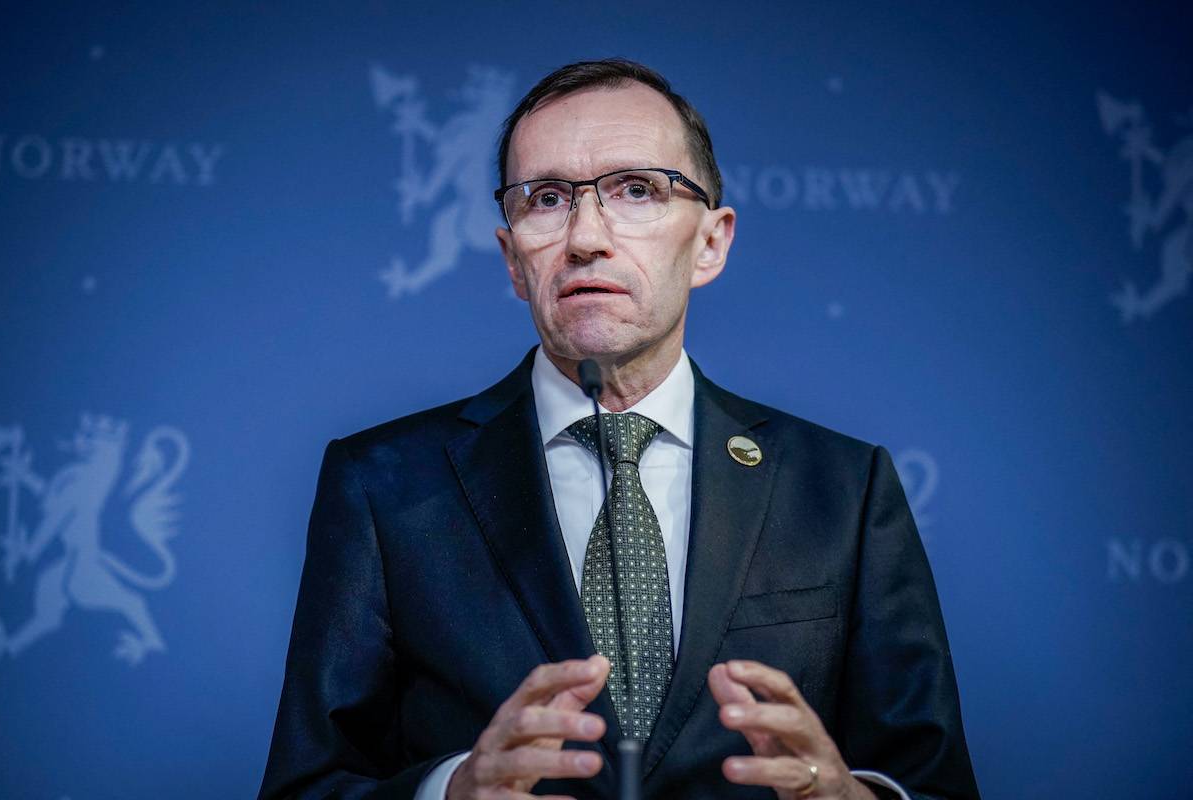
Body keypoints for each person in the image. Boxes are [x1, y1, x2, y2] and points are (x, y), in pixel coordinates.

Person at [259, 59, 980, 800]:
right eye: (545, 199)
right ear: (513, 260)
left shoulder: (844, 489)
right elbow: (305, 787)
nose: (585, 238)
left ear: (711, 243)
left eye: (636, 190)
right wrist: (450, 792)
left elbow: (933, 783)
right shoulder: (383, 484)